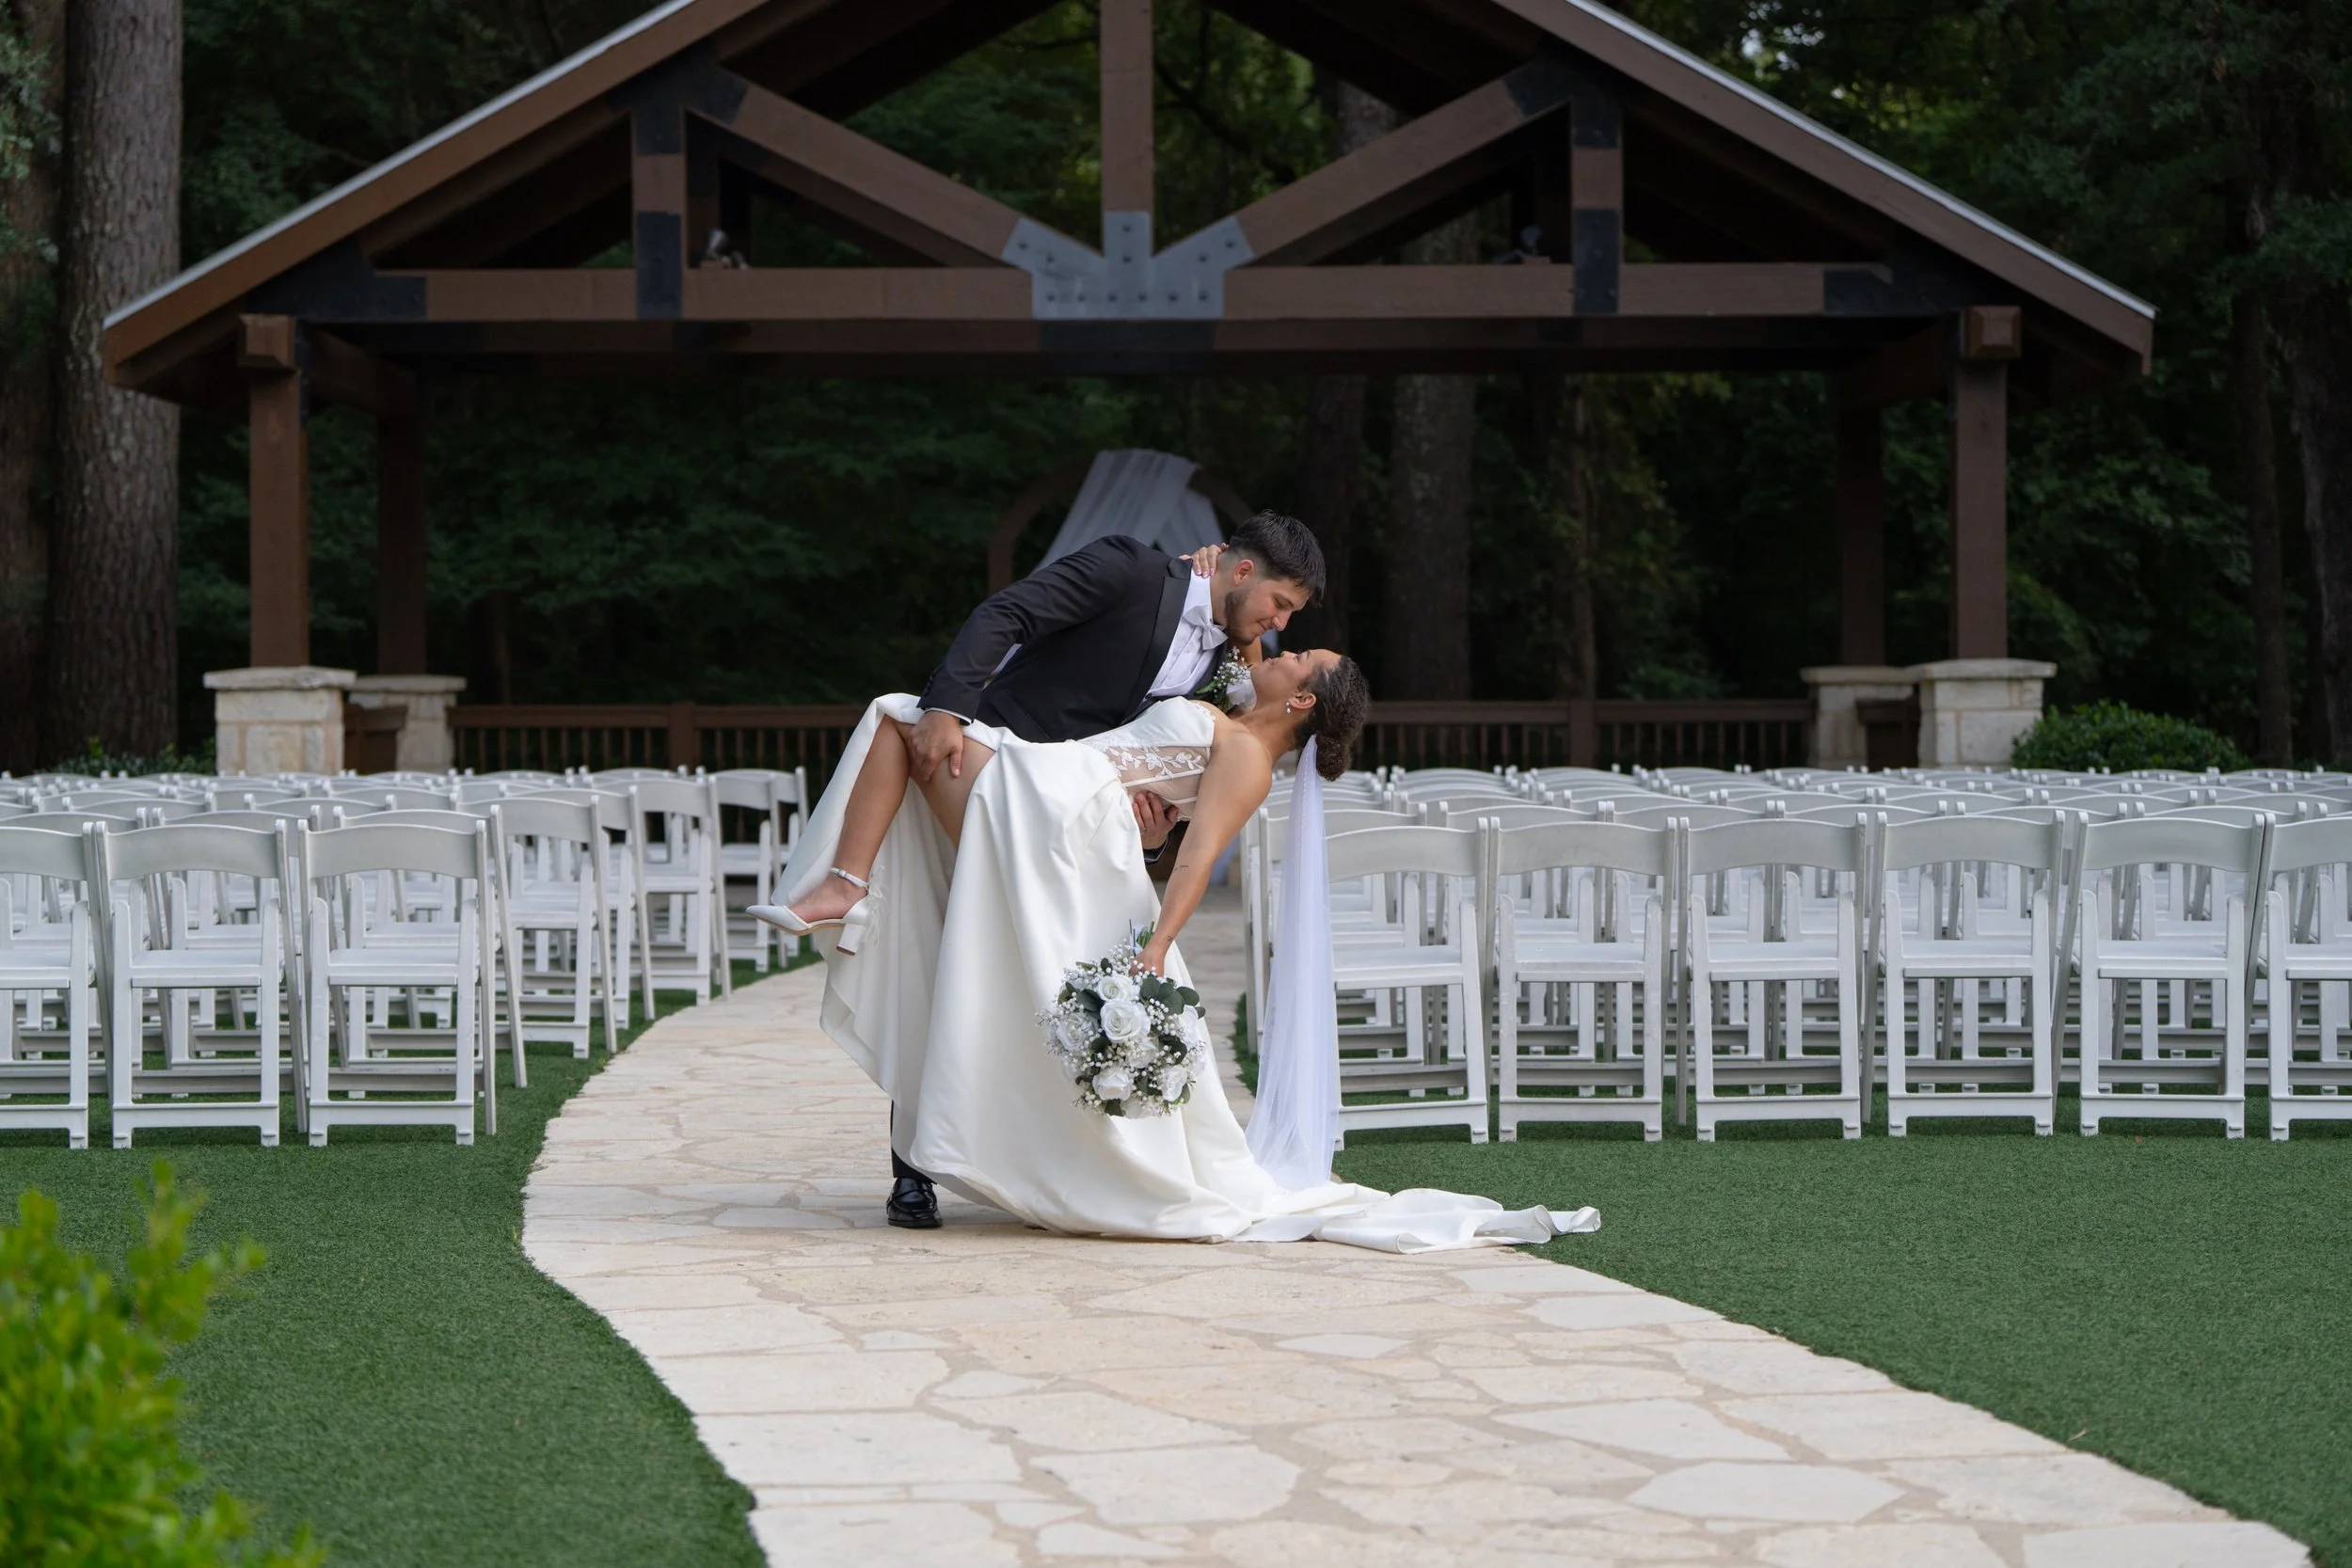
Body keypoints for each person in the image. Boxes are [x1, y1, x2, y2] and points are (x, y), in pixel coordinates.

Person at [770, 658, 1600, 1250]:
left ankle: (845, 885)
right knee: (901, 727)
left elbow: (1198, 858)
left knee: (898, 717)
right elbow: (1243, 653)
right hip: (1069, 799)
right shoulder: (1237, 718)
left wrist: (1157, 950)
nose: (1277, 649)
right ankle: (849, 886)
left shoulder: (1245, 755)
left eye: (1298, 655)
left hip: (1066, 812)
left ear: (1302, 695)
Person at [757, 513, 1327, 1227]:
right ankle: (915, 1167)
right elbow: (1010, 612)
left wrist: (1152, 837)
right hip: (988, 772)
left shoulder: (1227, 672)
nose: (1278, 625)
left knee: (1005, 980)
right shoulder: (1131, 568)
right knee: (939, 951)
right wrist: (947, 707)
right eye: (1281, 603)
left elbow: (1178, 782)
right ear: (1243, 571)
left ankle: (1050, 1163)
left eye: (1290, 618)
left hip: (1069, 827)